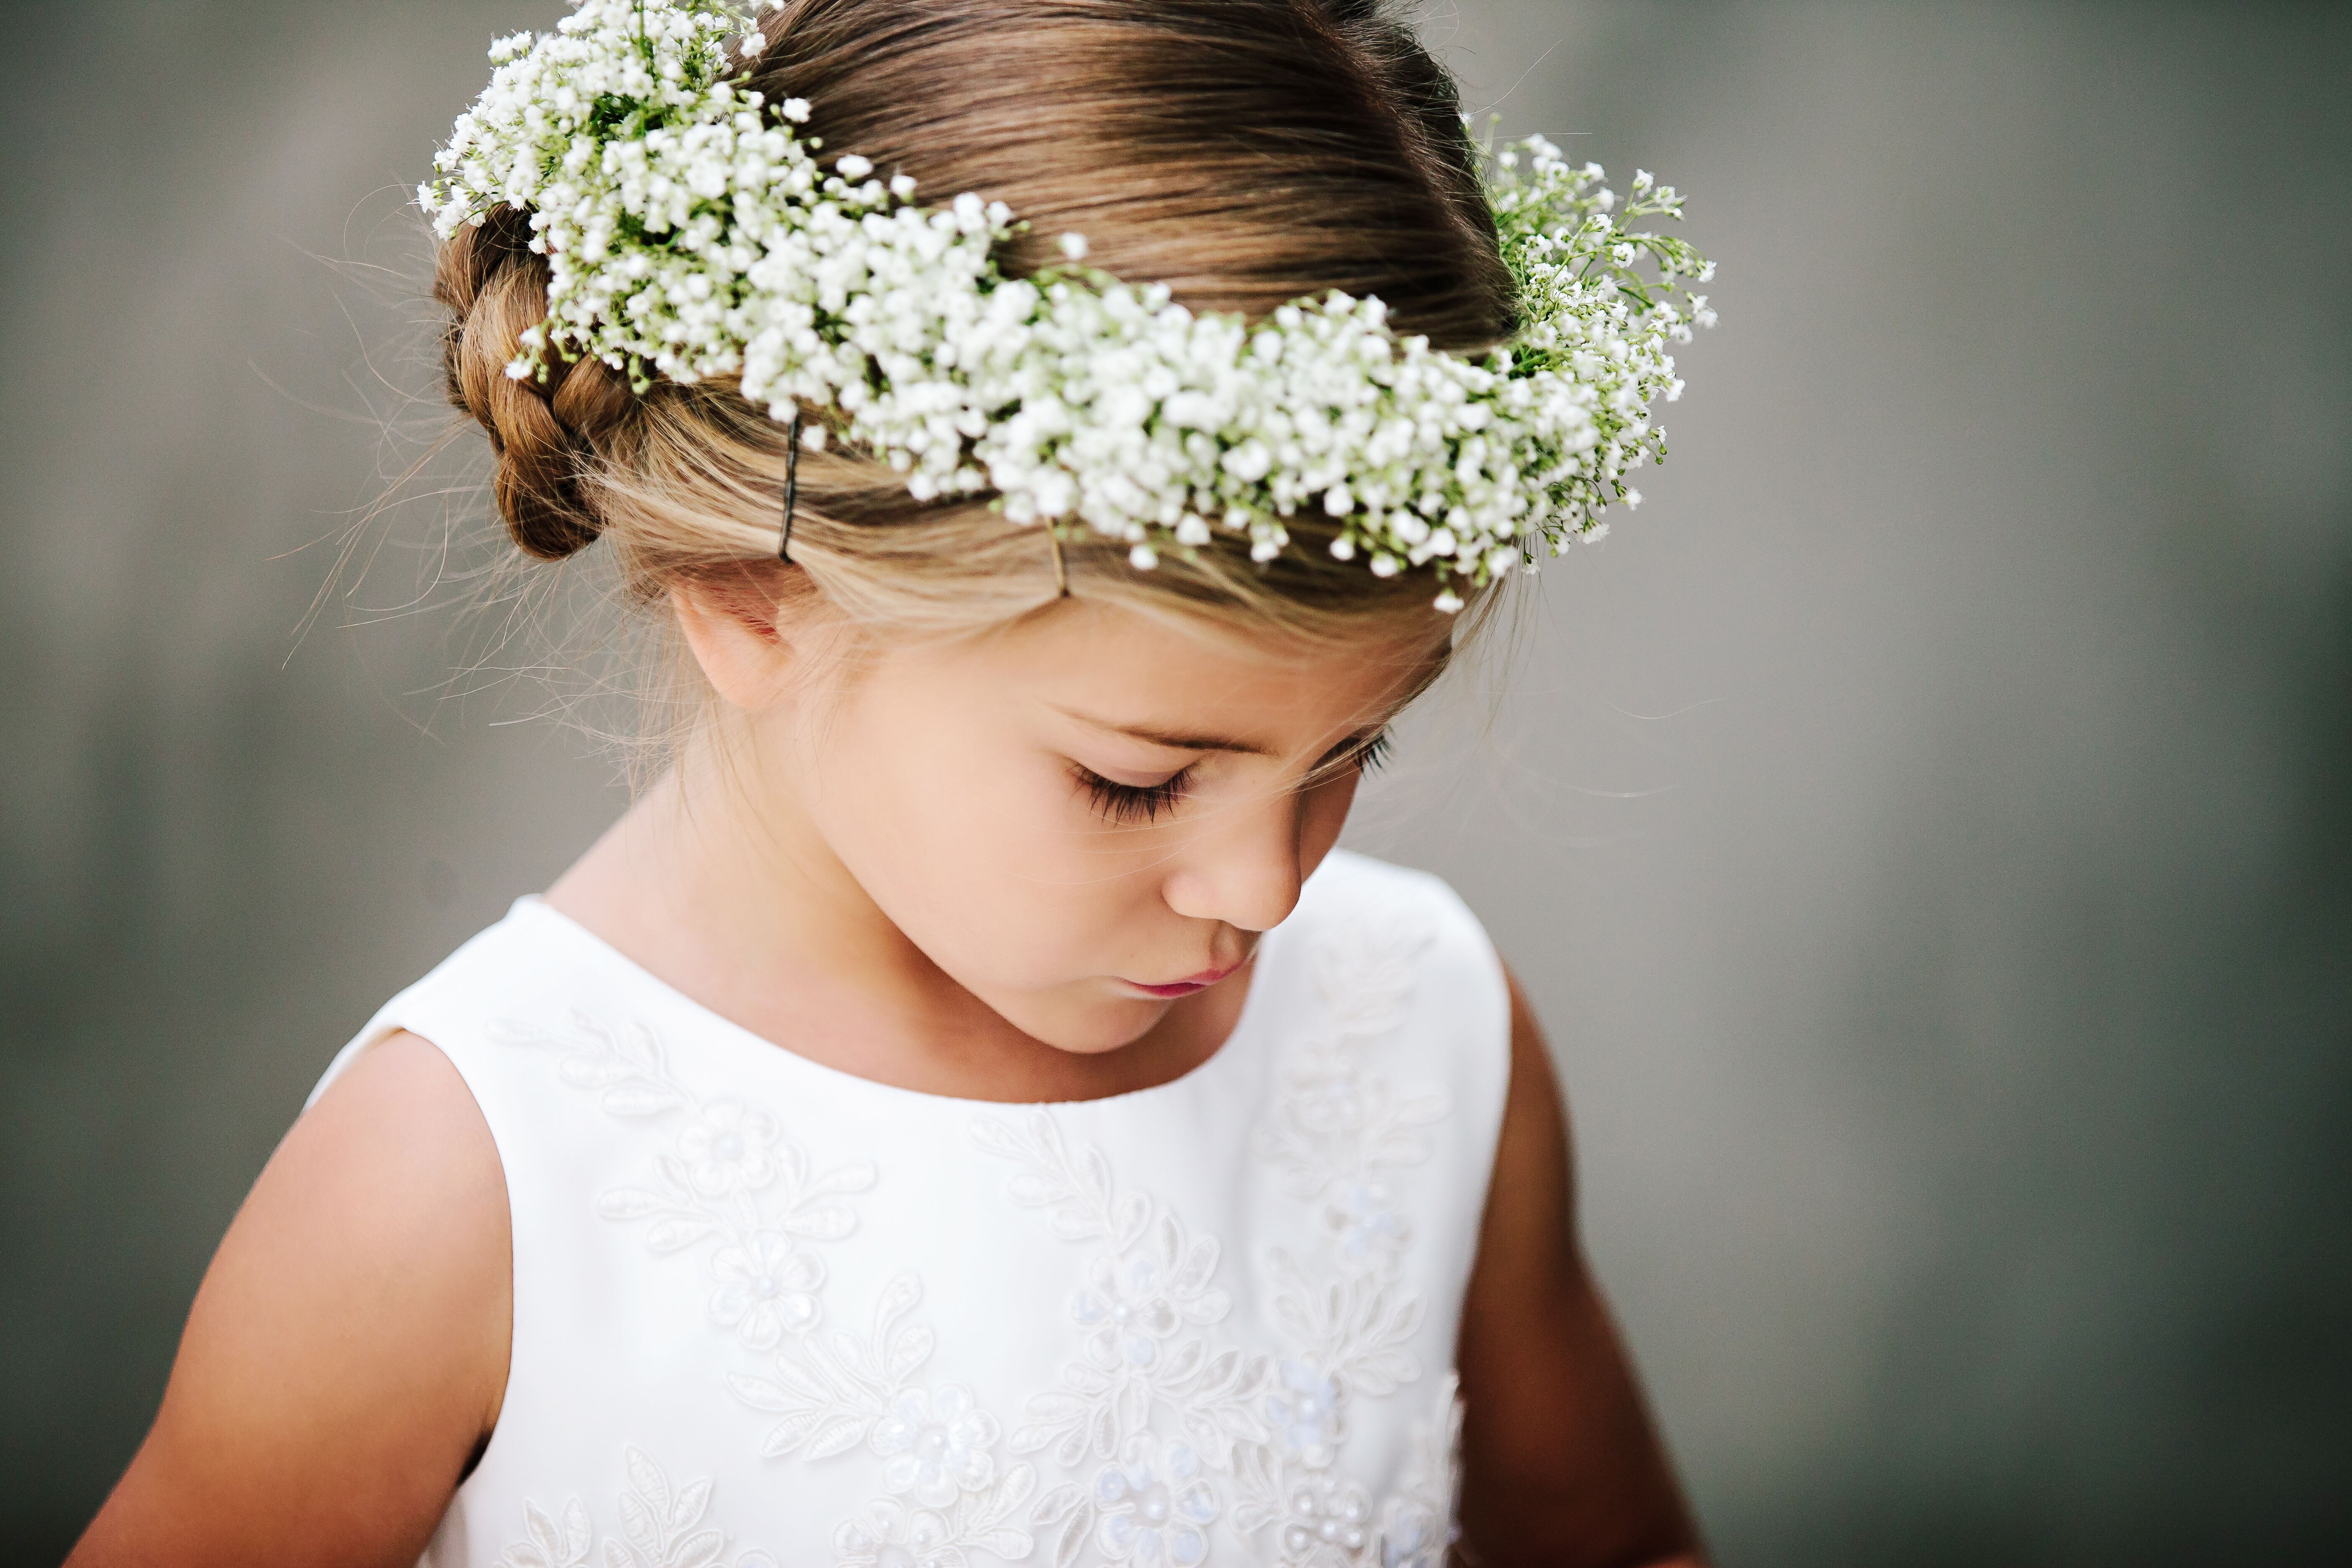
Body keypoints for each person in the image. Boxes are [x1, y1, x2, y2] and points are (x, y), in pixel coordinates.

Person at [69, 1, 1716, 1563]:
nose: (1267, 890)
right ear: (754, 600)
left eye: (1353, 747)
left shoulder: (1417, 1034)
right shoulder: (449, 1194)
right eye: (1138, 783)